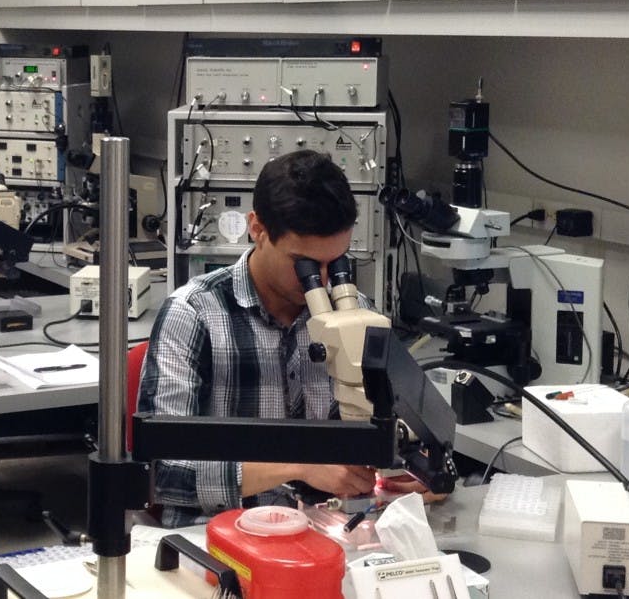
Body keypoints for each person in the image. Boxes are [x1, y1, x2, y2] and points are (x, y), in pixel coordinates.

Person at [138, 149, 427, 527]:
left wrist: (414, 468)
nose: (322, 281)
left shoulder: (355, 314)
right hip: (220, 540)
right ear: (257, 229)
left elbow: (396, 427)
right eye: (304, 264)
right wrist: (299, 465)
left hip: (328, 531)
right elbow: (160, 475)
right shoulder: (193, 314)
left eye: (336, 263)